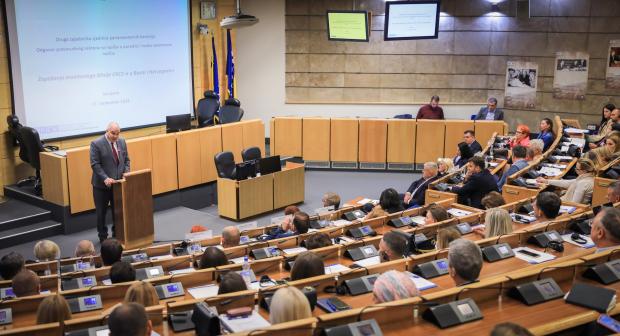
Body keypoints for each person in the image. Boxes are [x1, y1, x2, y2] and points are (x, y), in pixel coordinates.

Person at [90, 122, 131, 243]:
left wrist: (126, 172)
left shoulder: (122, 142)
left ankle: (116, 234)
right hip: (101, 186)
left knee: (117, 211)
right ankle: (102, 237)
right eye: (113, 133)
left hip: (117, 184)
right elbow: (95, 164)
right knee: (101, 213)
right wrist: (105, 178)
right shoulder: (96, 144)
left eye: (118, 133)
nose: (116, 136)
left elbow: (127, 160)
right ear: (107, 130)